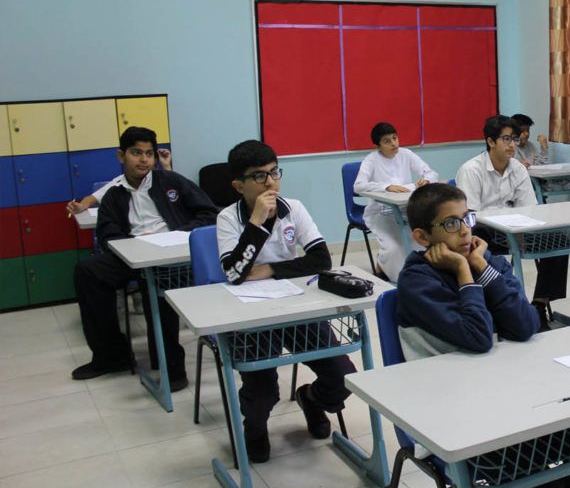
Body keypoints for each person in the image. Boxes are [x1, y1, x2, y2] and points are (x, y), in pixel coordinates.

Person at [396, 182, 570, 488]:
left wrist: (481, 268)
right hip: (454, 415)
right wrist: (464, 273)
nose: (466, 230)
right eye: (451, 223)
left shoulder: (485, 260)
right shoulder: (417, 281)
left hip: (508, 398)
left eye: (467, 218)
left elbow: (526, 324)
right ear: (422, 236)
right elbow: (478, 337)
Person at [217, 140, 357, 463]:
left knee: (342, 377)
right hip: (252, 317)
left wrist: (270, 269)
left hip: (295, 308)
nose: (270, 182)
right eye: (259, 176)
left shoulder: (293, 208)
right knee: (262, 395)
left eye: (274, 172)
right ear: (239, 185)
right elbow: (235, 273)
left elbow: (321, 259)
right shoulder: (228, 218)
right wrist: (255, 224)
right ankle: (255, 428)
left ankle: (310, 399)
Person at [72, 128, 216, 385]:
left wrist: (178, 232)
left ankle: (172, 368)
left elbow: (209, 213)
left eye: (149, 154)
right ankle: (111, 356)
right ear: (121, 156)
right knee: (88, 271)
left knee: (157, 286)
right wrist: (135, 244)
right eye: (136, 153)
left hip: (171, 253)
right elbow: (107, 235)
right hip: (133, 255)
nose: (144, 160)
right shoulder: (114, 193)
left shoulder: (171, 182)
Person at [456, 115, 568, 325]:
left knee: (558, 239)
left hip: (517, 231)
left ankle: (539, 305)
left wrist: (522, 228)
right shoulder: (471, 170)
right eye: (506, 139)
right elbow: (469, 216)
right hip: (484, 232)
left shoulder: (518, 168)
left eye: (514, 139)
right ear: (491, 141)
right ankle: (496, 306)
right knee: (477, 238)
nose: (512, 145)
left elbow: (531, 208)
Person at [354, 122, 438, 282]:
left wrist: (426, 180)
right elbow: (358, 186)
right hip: (381, 212)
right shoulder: (371, 160)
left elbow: (431, 172)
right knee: (395, 249)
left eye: (395, 138)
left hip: (407, 209)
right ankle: (397, 278)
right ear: (378, 146)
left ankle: (420, 277)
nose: (393, 143)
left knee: (421, 243)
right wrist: (386, 186)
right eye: (387, 141)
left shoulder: (406, 154)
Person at [66, 148, 172, 215]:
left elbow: (174, 190)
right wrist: (81, 206)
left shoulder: (161, 180)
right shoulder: (121, 182)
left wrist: (166, 165)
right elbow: (91, 199)